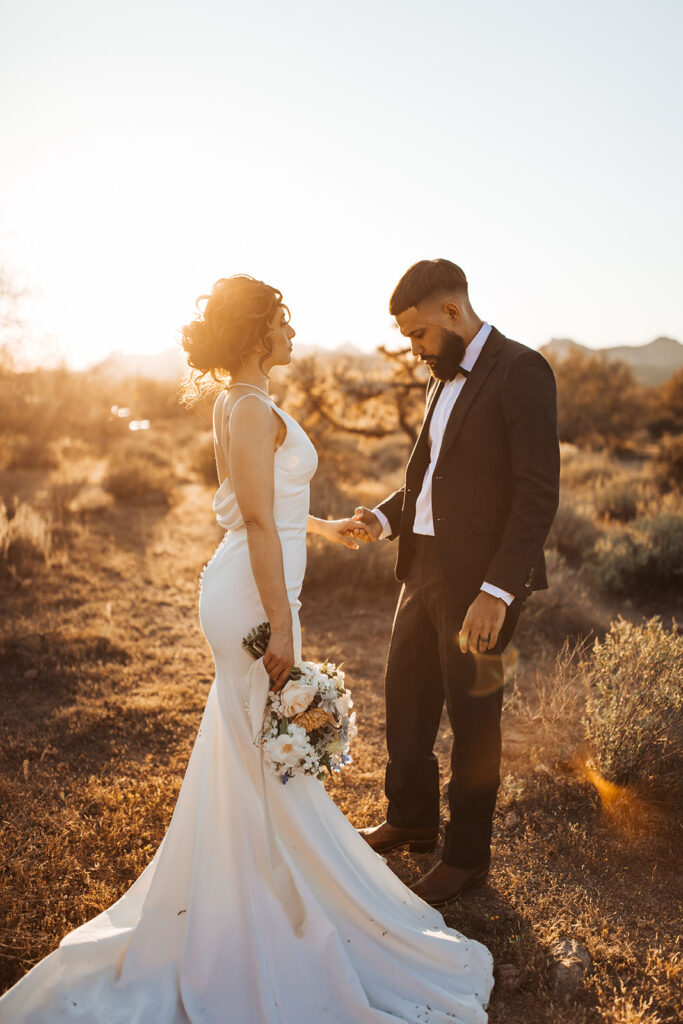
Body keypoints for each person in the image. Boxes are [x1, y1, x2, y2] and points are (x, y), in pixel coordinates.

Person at [0, 274, 494, 1024]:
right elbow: (259, 524)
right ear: (260, 331)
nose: (293, 332)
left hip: (241, 584)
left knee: (249, 742)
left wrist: (331, 529)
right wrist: (284, 625)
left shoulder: (233, 401)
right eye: (284, 321)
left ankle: (251, 875)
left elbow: (266, 508)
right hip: (251, 597)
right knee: (260, 737)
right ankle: (255, 899)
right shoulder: (252, 405)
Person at [354, 259, 560, 908]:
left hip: (481, 584)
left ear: (450, 313)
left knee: (475, 722)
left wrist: (497, 592)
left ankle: (466, 857)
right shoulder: (441, 379)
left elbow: (535, 493)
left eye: (417, 335)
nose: (412, 351)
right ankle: (411, 818)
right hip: (421, 573)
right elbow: (432, 476)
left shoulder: (521, 370)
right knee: (405, 701)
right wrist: (384, 519)